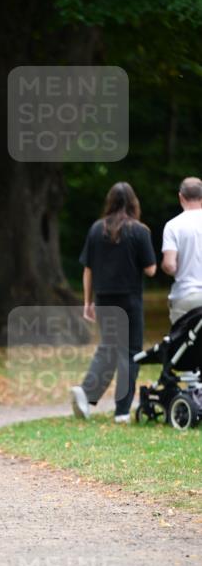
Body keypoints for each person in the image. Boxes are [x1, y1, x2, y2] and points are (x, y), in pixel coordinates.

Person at [70, 182, 156, 424]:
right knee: (130, 353)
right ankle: (122, 411)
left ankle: (86, 394)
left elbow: (88, 269)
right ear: (133, 203)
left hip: (104, 298)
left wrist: (88, 302)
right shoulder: (140, 231)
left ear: (110, 202)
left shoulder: (97, 229)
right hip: (129, 299)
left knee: (108, 347)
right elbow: (150, 270)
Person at [161, 177, 202, 324]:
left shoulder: (173, 226)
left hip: (185, 296)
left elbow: (170, 265)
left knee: (182, 344)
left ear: (180, 197)